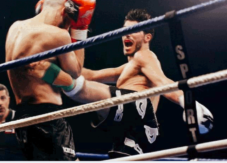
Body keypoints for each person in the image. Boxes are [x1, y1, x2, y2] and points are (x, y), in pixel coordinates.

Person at [29, 9, 214, 158]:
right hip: (131, 125)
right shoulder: (128, 67)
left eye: (133, 31)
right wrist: (57, 60)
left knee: (80, 90)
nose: (126, 34)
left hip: (141, 114)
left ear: (147, 37)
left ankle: (45, 70)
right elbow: (91, 74)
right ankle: (46, 68)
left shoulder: (145, 56)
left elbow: (163, 82)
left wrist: (190, 105)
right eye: (124, 30)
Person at [5, 0, 96, 160]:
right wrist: (80, 29)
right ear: (64, 12)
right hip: (48, 119)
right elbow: (76, 71)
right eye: (70, 21)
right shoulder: (59, 35)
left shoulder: (15, 28)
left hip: (21, 118)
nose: (68, 26)